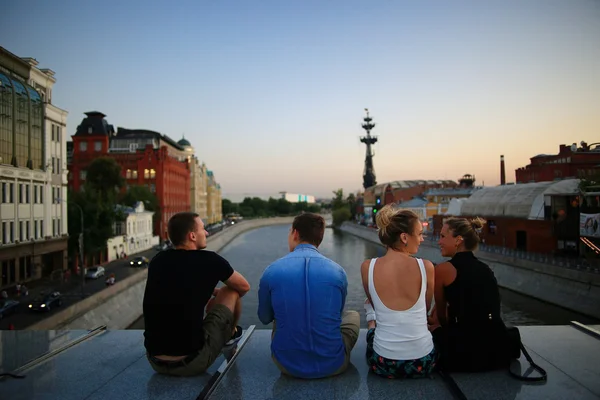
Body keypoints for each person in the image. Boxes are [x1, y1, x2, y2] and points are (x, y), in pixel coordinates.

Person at [143, 212, 250, 377]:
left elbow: (178, 287)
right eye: (203, 229)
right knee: (231, 290)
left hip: (155, 362)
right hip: (192, 362)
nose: (206, 233)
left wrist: (208, 292)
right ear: (192, 236)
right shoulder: (210, 260)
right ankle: (229, 336)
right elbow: (244, 287)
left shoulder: (158, 260)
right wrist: (218, 294)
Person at [257, 212, 360, 379]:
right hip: (334, 365)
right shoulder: (337, 271)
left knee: (281, 312)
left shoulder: (272, 271)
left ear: (295, 233)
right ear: (319, 238)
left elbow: (264, 317)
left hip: (286, 365)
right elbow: (338, 314)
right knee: (353, 315)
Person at [360, 206, 437, 378]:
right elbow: (424, 309)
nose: (422, 239)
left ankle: (370, 321)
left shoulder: (368, 267)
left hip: (384, 363)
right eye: (419, 234)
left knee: (374, 323)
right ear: (404, 237)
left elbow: (374, 302)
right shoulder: (426, 267)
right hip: (423, 362)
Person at [430, 217, 511, 372]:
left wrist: (437, 326)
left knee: (431, 328)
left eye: (442, 236)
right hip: (498, 349)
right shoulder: (485, 269)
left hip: (465, 352)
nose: (439, 242)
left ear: (458, 240)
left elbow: (441, 318)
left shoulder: (443, 269)